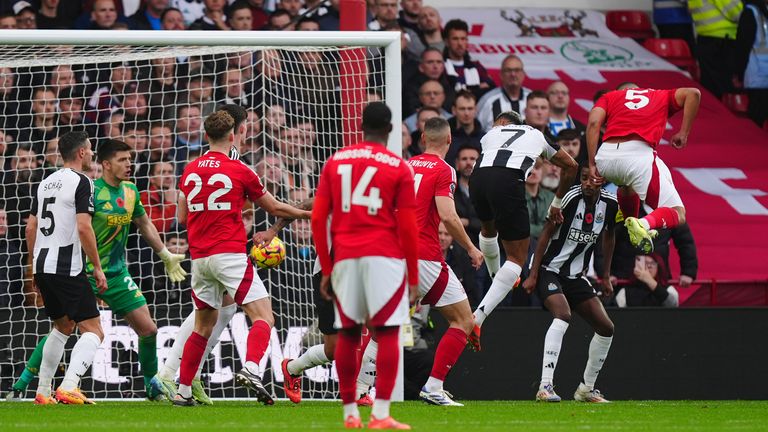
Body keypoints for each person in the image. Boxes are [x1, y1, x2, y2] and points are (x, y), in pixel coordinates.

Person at [8, 139, 188, 402]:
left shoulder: (130, 192)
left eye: (130, 159)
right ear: (105, 163)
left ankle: (152, 386)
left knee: (148, 329)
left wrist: (165, 254)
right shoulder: (90, 189)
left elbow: (145, 224)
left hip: (113, 273)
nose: (130, 164)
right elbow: (79, 227)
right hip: (83, 269)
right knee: (70, 328)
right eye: (123, 160)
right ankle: (32, 383)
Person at [172, 110, 311, 406]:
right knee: (263, 316)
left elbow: (182, 216)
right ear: (234, 135)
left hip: (200, 258)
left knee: (202, 326)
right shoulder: (241, 170)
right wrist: (309, 213)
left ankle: (183, 390)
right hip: (230, 254)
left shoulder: (190, 169)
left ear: (206, 136)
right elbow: (274, 208)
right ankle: (251, 368)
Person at [311, 102, 418, 429]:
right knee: (387, 333)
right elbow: (408, 227)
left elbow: (318, 218)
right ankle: (382, 415)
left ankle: (349, 413)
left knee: (349, 333)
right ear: (388, 130)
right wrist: (413, 276)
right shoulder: (399, 167)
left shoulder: (335, 161)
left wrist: (327, 267)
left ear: (361, 126)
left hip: (344, 256)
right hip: (383, 256)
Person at [468, 111, 578, 350]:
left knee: (488, 230)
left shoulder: (489, 135)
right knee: (517, 259)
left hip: (476, 179)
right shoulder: (535, 134)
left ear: (503, 123)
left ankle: (497, 275)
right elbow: (571, 165)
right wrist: (557, 203)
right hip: (508, 180)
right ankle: (478, 317)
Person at [522, 166, 618, 403]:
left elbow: (610, 235)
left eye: (592, 179)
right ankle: (545, 386)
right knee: (563, 314)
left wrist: (605, 275)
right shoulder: (570, 198)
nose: (586, 183)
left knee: (606, 328)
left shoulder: (610, 204)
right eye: (583, 177)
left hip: (575, 275)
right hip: (548, 269)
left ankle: (586, 389)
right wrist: (533, 274)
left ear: (602, 180)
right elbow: (545, 234)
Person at [24, 131, 107, 405]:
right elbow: (84, 226)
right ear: (81, 152)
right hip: (67, 267)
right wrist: (97, 266)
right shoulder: (83, 182)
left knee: (62, 326)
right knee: (94, 329)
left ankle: (43, 391)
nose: (93, 154)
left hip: (43, 265)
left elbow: (31, 226)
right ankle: (70, 385)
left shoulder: (45, 182)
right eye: (91, 149)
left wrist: (33, 266)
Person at [408, 117, 483, 406]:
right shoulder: (444, 170)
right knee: (463, 320)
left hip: (395, 253)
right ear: (450, 140)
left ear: (423, 138)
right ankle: (434, 387)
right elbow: (449, 216)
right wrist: (471, 249)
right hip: (425, 255)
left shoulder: (406, 165)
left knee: (382, 325)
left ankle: (361, 388)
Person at [587, 84, 701, 254]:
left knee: (625, 184)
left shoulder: (610, 97)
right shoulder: (659, 95)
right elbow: (694, 93)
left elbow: (594, 123)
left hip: (606, 156)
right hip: (638, 155)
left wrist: (591, 163)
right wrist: (683, 133)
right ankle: (643, 224)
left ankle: (630, 223)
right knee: (678, 213)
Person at [734, 0, 768, 126]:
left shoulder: (751, 13)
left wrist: (739, 73)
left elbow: (742, 46)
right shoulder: (754, 13)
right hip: (759, 76)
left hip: (757, 75)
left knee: (756, 121)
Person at [476, 54, 531, 132]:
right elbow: (477, 131)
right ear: (501, 74)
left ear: (523, 74)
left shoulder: (531, 98)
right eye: (508, 70)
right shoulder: (488, 100)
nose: (513, 74)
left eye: (517, 70)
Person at [615, 254, 680, 307]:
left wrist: (649, 280)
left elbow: (673, 305)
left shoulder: (669, 290)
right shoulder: (625, 292)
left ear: (659, 267)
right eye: (645, 263)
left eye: (653, 263)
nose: (649, 266)